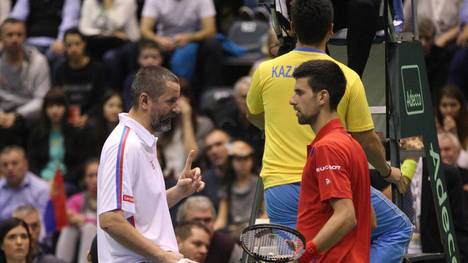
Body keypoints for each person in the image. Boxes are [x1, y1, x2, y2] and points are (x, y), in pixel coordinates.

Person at [246, 0, 405, 229]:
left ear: (291, 27)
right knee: (398, 229)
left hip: (279, 187)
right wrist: (387, 171)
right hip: (329, 184)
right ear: (331, 29)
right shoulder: (349, 78)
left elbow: (253, 115)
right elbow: (367, 140)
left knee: (299, 252)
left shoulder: (264, 71)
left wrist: (272, 125)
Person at [97, 66, 204, 262]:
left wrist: (179, 191)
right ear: (144, 100)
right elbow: (110, 220)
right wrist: (162, 256)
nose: (176, 108)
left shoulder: (143, 142)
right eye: (170, 101)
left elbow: (141, 213)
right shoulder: (124, 146)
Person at [290, 60, 371, 262]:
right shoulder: (351, 144)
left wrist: (305, 254)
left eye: (300, 93)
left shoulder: (328, 148)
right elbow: (370, 219)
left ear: (322, 97)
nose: (292, 100)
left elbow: (346, 216)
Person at [0, 18, 50, 149]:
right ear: (1, 38)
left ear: (25, 37)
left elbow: (42, 99)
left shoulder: (39, 61)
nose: (14, 39)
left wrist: (17, 115)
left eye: (19, 34)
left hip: (28, 116)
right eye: (9, 35)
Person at [27, 88, 82, 190]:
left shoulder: (74, 132)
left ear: (66, 108)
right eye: (51, 106)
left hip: (66, 182)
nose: (55, 110)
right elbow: (32, 163)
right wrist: (43, 181)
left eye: (59, 106)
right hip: (41, 180)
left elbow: (78, 165)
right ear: (45, 109)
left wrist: (59, 181)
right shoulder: (37, 132)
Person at [53, 27, 106, 128]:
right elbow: (57, 98)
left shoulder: (97, 69)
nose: (73, 49)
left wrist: (86, 117)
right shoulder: (60, 70)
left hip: (91, 116)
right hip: (65, 116)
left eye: (77, 44)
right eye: (69, 45)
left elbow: (100, 100)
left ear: (84, 44)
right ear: (64, 47)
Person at [214, 140, 262, 240]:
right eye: (238, 159)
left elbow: (265, 215)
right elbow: (221, 220)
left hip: (257, 231)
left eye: (246, 158)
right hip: (234, 232)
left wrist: (250, 228)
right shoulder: (227, 186)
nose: (243, 163)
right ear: (231, 161)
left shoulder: (260, 183)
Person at [55, 159, 99, 263]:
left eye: (98, 174)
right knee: (68, 228)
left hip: (102, 242)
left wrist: (85, 220)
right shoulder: (77, 199)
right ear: (84, 179)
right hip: (78, 239)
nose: (94, 180)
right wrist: (72, 218)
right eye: (90, 176)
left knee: (89, 228)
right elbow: (66, 217)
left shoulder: (111, 199)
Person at [176, 196, 242, 263]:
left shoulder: (227, 245)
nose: (203, 225)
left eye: (207, 220)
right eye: (196, 220)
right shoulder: (167, 245)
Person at [9, 0, 80, 57]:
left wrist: (61, 40)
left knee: (62, 55)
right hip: (30, 43)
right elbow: (16, 19)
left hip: (56, 44)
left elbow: (70, 20)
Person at [0, 146, 50, 222]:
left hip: (31, 232)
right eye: (5, 165)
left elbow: (43, 225)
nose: (10, 168)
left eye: (14, 163)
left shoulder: (42, 189)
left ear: (25, 164)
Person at [83, 91, 124, 157]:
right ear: (102, 107)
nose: (115, 110)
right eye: (111, 105)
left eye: (119, 106)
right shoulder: (92, 128)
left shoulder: (125, 130)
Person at [198, 129, 231, 210]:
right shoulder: (202, 182)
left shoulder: (246, 176)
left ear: (231, 146)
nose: (214, 151)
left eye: (219, 144)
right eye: (209, 148)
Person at [436, 85, 468, 149]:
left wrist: (453, 133)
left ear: (461, 106)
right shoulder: (433, 124)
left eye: (453, 105)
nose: (449, 110)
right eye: (444, 105)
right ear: (438, 107)